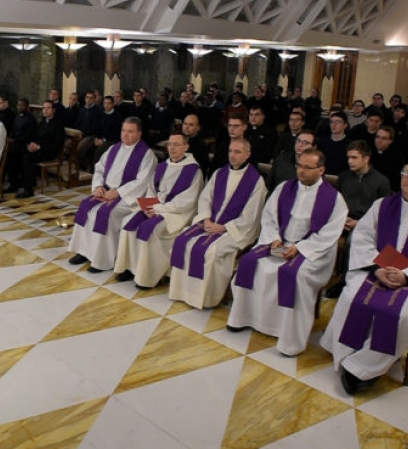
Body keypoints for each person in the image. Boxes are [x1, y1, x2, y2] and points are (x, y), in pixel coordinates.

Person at [320, 161, 408, 394]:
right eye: (406, 173)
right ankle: (347, 352)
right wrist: (376, 268)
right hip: (377, 269)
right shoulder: (382, 206)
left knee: (400, 314)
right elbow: (363, 238)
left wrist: (407, 275)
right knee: (351, 297)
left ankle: (364, 367)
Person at [227, 148, 347, 356]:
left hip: (312, 253)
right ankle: (245, 318)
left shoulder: (334, 199)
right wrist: (274, 239)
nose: (301, 171)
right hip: (279, 243)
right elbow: (269, 217)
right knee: (250, 263)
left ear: (321, 170)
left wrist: (299, 248)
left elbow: (330, 234)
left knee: (295, 275)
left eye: (308, 168)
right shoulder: (284, 188)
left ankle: (290, 337)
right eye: (299, 165)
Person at [169, 139, 267, 309]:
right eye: (230, 151)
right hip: (211, 222)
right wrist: (206, 218)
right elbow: (206, 197)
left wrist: (224, 227)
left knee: (211, 251)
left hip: (236, 229)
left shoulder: (256, 181)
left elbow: (251, 215)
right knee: (182, 241)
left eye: (237, 152)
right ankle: (181, 291)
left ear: (247, 154)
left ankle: (206, 298)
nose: (232, 155)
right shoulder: (220, 173)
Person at [114, 134, 203, 288]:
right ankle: (130, 267)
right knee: (128, 223)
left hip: (176, 214)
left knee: (150, 229)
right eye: (170, 144)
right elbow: (151, 190)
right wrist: (148, 206)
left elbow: (186, 202)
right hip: (155, 208)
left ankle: (147, 276)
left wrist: (157, 209)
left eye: (176, 144)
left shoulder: (194, 171)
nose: (172, 148)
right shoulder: (162, 166)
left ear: (186, 147)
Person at [68, 117, 156, 272]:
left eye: (130, 131)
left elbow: (142, 182)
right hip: (106, 191)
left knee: (105, 213)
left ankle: (101, 260)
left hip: (127, 198)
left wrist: (117, 192)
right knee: (86, 208)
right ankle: (84, 251)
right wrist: (98, 186)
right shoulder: (114, 149)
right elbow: (99, 168)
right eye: (123, 130)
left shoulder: (147, 155)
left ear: (139, 134)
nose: (125, 135)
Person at [325, 140, 392, 298]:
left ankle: (345, 280)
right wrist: (343, 218)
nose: (350, 161)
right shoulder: (344, 177)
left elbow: (383, 213)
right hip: (343, 220)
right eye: (348, 157)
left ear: (366, 158)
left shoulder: (381, 181)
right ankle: (321, 275)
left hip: (367, 224)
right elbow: (336, 202)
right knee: (323, 234)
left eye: (354, 157)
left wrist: (359, 223)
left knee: (352, 241)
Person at [16, 100, 64, 198]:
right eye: (44, 108)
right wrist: (31, 145)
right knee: (19, 151)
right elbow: (35, 136)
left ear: (53, 110)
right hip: (39, 150)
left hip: (50, 152)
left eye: (48, 108)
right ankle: (23, 182)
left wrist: (39, 147)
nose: (45, 110)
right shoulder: (42, 122)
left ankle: (28, 190)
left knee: (28, 158)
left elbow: (57, 145)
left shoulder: (58, 125)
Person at [4, 98, 38, 193]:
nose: (19, 107)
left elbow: (30, 135)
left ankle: (17, 183)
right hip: (16, 143)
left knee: (11, 153)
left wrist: (15, 140)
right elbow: (13, 130)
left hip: (25, 144)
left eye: (22, 105)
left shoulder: (31, 119)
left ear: (27, 106)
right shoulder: (17, 117)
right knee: (8, 153)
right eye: (18, 105)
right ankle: (13, 182)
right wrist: (10, 138)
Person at [371, 125, 404, 191]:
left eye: (384, 138)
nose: (379, 140)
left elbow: (396, 180)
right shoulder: (368, 152)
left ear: (390, 141)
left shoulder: (397, 157)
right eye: (377, 137)